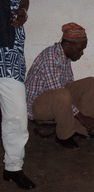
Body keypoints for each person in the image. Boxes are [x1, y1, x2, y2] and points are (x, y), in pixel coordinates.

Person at [26, 22, 94, 150]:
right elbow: (59, 92)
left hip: (54, 99)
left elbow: (69, 87)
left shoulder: (65, 57)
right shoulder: (51, 57)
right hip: (37, 107)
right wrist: (82, 117)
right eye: (79, 49)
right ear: (67, 44)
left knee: (92, 82)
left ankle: (79, 129)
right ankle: (63, 136)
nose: (82, 53)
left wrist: (88, 112)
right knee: (62, 94)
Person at [0, 0, 36, 190]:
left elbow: (23, 0)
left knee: (17, 117)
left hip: (9, 56)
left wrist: (23, 10)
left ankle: (13, 168)